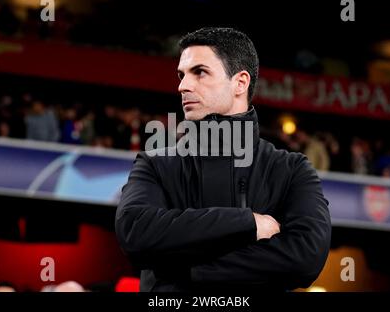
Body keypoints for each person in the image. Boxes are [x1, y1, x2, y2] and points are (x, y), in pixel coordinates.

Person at [115, 27, 331, 292]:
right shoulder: (155, 163)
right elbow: (135, 235)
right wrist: (248, 222)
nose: (182, 86)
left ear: (240, 82)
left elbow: (305, 258)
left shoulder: (292, 169)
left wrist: (188, 270)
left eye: (200, 72)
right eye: (182, 75)